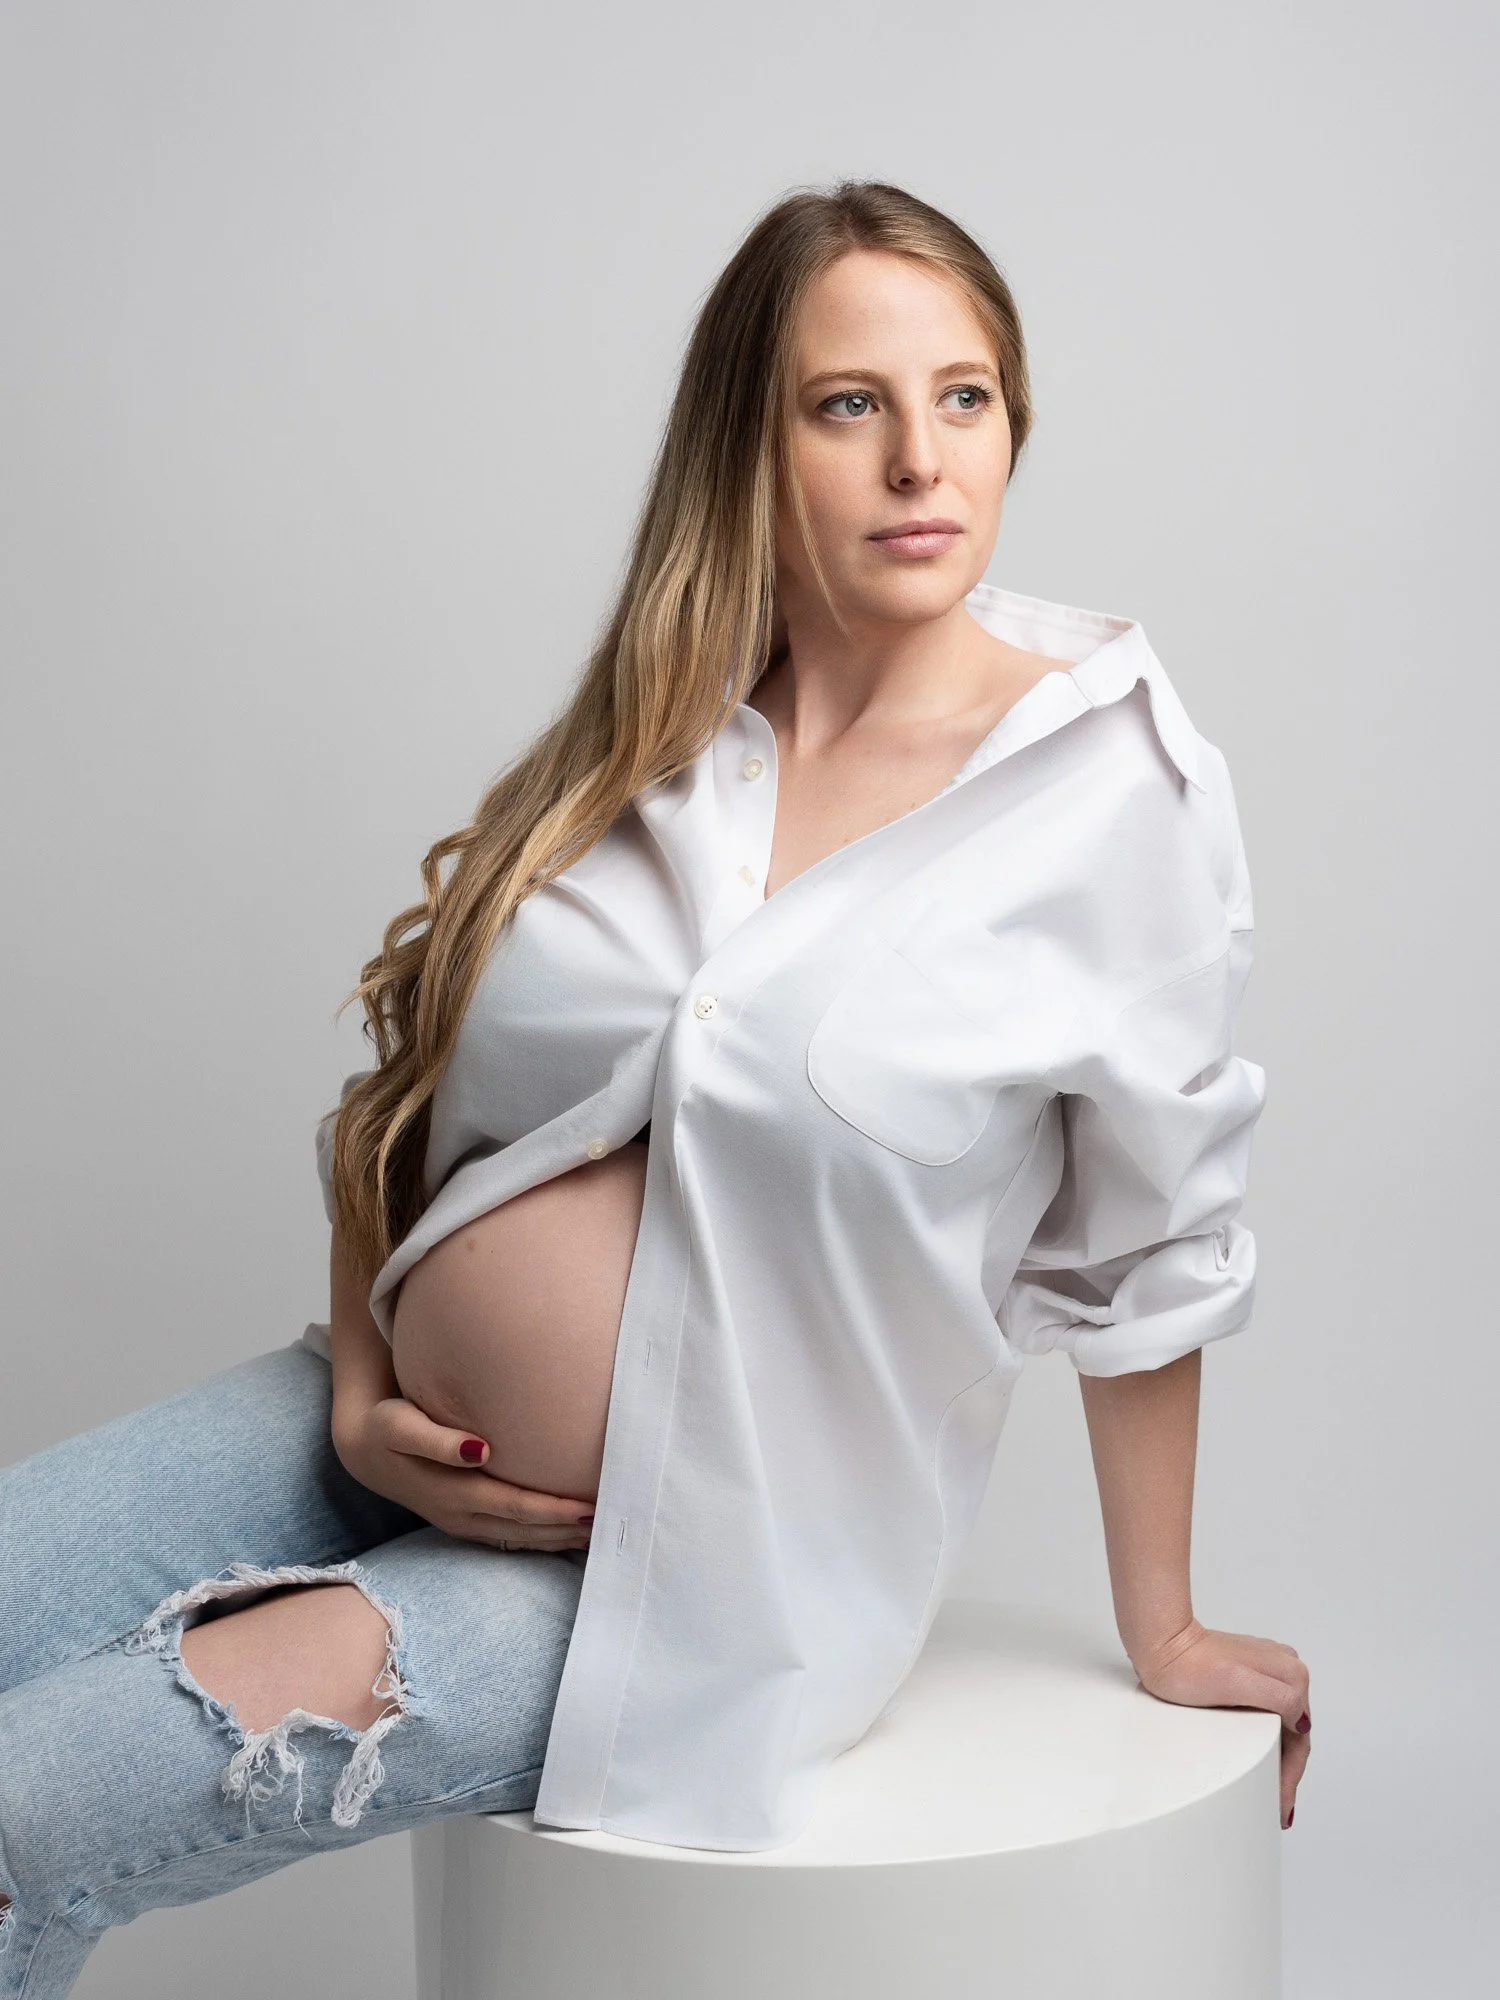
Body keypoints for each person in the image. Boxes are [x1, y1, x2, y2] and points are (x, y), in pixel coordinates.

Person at [0, 180, 1310, 1994]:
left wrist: (1157, 1625)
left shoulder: (1116, 801)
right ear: (750, 443)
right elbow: (413, 1085)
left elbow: (1154, 1247)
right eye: (850, 403)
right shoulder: (664, 727)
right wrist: (373, 1389)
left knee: (33, 1805)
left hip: (697, 1594)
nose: (921, 459)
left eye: (967, 397)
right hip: (377, 1437)